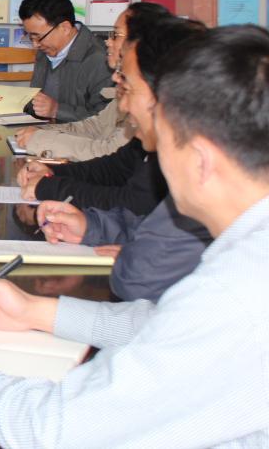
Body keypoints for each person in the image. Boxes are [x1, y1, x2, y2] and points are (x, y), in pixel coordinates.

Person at [0, 25, 269, 447]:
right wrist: (37, 312)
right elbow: (167, 325)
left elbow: (56, 429)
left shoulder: (238, 292)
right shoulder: (247, 258)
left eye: (162, 144)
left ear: (201, 160)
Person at [34, 16, 211, 302]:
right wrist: (91, 227)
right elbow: (145, 223)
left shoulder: (198, 170)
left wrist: (51, 183)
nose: (124, 106)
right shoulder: (177, 155)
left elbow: (139, 273)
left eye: (126, 88)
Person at [14, 3, 170, 161]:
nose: (108, 42)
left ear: (142, 43)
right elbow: (95, 127)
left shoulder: (150, 95)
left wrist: (42, 139)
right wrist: (41, 132)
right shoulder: (131, 86)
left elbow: (111, 155)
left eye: (116, 35)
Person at [19, 0, 112, 122]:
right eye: (30, 37)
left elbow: (106, 120)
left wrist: (57, 110)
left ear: (65, 28)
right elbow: (36, 104)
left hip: (79, 135)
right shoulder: (46, 50)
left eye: (38, 37)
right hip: (44, 131)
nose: (35, 44)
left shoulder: (100, 59)